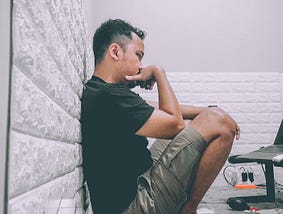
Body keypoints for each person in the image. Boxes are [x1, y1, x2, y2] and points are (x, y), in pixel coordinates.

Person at [81, 19, 240, 214]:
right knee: (221, 123)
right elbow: (175, 124)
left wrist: (207, 111)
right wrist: (159, 72)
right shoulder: (109, 96)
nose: (141, 66)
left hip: (138, 183)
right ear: (115, 52)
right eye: (138, 56)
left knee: (203, 120)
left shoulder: (103, 91)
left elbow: (162, 111)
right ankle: (189, 209)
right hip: (136, 204)